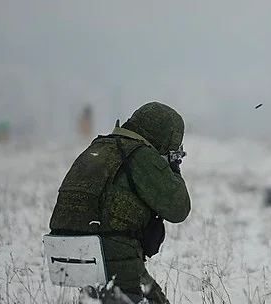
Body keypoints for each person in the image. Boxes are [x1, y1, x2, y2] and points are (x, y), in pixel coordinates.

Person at [49, 102, 192, 304]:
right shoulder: (141, 155)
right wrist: (173, 166)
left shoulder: (98, 147)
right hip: (112, 255)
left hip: (63, 252)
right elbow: (179, 209)